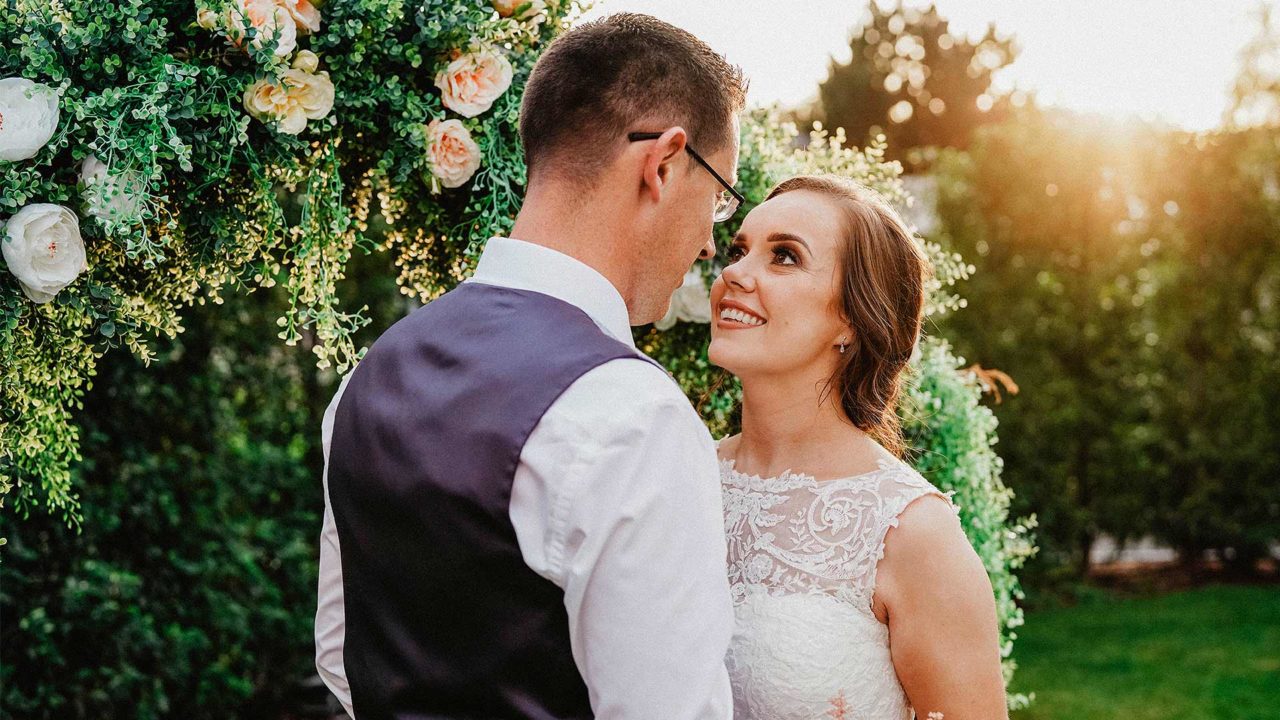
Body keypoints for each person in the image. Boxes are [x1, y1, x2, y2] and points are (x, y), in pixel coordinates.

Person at [313, 13, 749, 720]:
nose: (709, 242)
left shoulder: (370, 373)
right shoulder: (632, 415)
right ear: (664, 164)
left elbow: (340, 657)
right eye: (721, 196)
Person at [709, 175, 1009, 720]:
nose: (734, 272)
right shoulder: (680, 475)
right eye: (739, 249)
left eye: (784, 257)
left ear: (850, 318)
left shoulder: (911, 533)